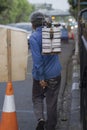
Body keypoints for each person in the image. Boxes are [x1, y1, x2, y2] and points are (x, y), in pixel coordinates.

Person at [29, 11, 62, 130]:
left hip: (40, 76)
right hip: (55, 73)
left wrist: (41, 78)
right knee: (52, 101)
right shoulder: (51, 32)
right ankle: (51, 126)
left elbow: (38, 61)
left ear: (33, 24)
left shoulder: (33, 37)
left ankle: (40, 119)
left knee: (37, 97)